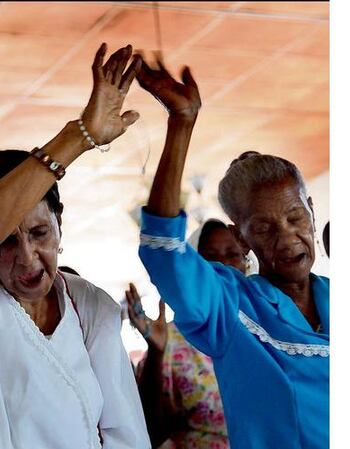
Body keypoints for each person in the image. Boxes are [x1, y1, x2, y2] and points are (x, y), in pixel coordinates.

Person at [0, 43, 150, 449]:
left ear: (60, 224)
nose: (27, 257)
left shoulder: (90, 305)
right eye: (6, 241)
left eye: (40, 234)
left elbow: (125, 432)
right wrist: (80, 136)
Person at [134, 55, 329, 449]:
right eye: (264, 227)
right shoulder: (233, 308)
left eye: (295, 217)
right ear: (242, 238)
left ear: (312, 211)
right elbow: (165, 251)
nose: (288, 237)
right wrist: (181, 123)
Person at [126, 219, 249, 449]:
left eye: (233, 254)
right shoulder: (170, 339)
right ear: (195, 269)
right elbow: (149, 433)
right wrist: (156, 351)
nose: (222, 265)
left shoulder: (264, 333)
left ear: (247, 264)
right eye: (210, 257)